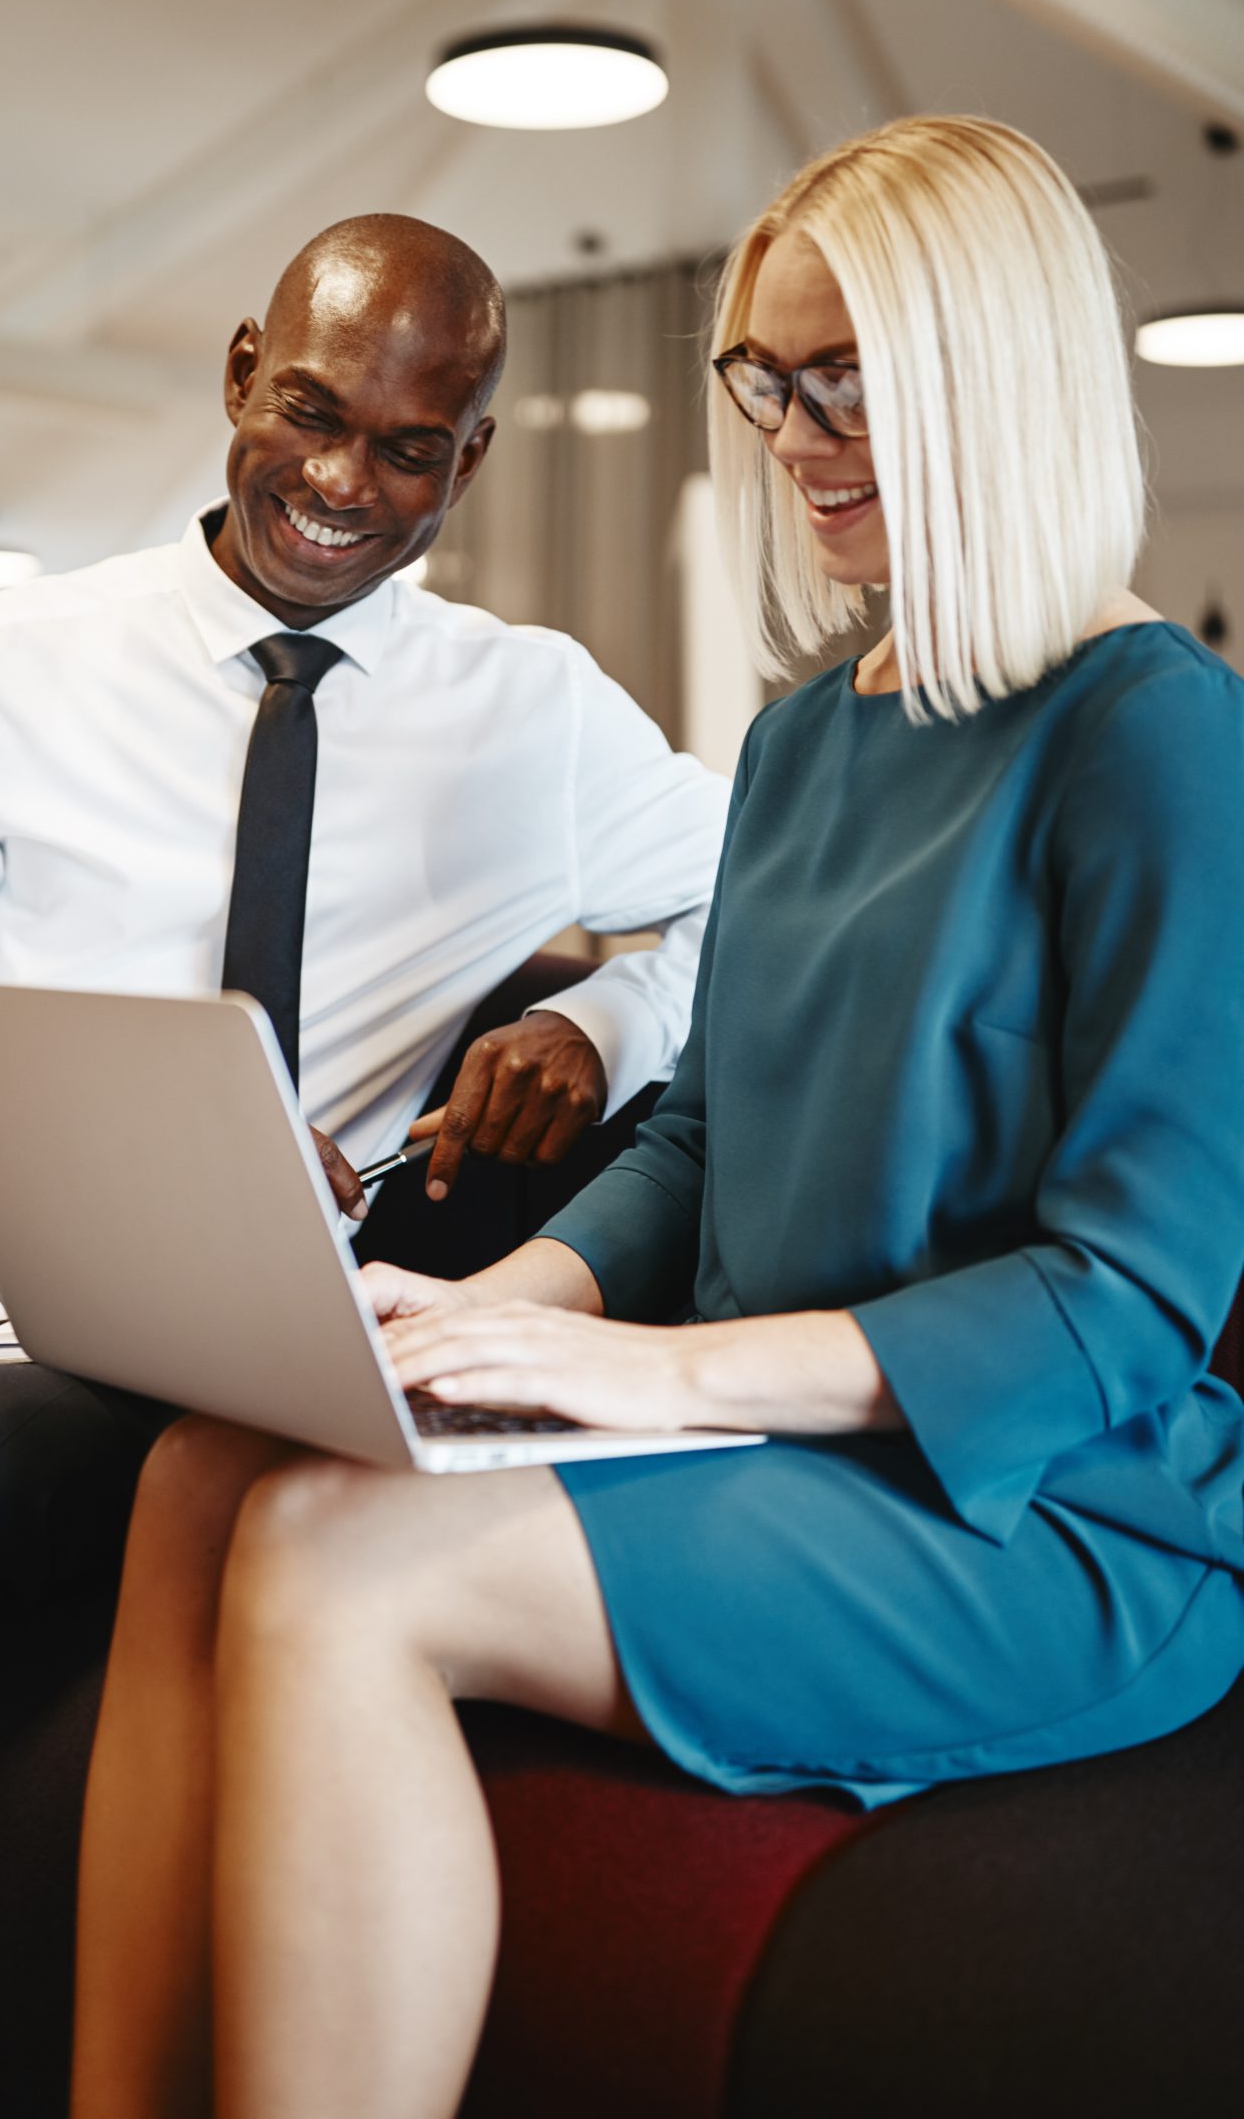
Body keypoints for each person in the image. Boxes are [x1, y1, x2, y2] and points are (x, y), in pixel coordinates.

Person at [69, 118, 1244, 2119]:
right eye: (765, 380)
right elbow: (697, 1130)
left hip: (1038, 1504)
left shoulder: (1151, 732)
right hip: (752, 1422)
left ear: (992, 369)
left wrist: (644, 1362)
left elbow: (1120, 1300)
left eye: (844, 377)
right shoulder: (804, 732)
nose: (792, 434)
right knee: (203, 1466)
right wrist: (491, 1305)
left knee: (339, 1564)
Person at [0, 212, 726, 1873]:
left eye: (405, 449)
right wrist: (105, 1150)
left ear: (469, 461)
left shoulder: (534, 717)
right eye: (310, 412)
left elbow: (760, 898)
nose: (343, 483)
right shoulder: (5, 663)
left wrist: (601, 1017)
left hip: (211, 1300)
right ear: (242, 375)